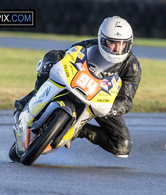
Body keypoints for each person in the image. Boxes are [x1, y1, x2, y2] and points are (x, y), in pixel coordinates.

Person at [14, 16, 142, 158]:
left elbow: (125, 101)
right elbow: (65, 54)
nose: (118, 49)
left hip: (101, 100)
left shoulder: (133, 66)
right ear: (102, 40)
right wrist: (52, 60)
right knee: (48, 64)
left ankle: (79, 130)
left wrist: (109, 109)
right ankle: (28, 101)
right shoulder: (89, 46)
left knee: (122, 145)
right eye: (112, 43)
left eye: (123, 44)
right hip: (77, 83)